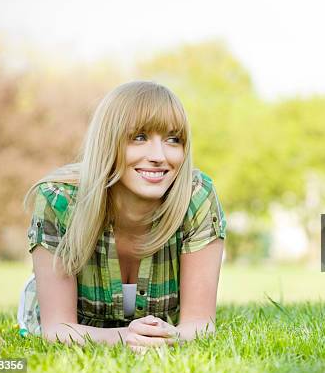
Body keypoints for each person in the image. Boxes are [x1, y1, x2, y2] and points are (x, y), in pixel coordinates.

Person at [16, 81, 226, 353]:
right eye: (139, 137)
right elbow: (57, 329)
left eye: (173, 139)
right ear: (108, 141)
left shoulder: (197, 198)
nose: (159, 156)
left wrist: (169, 336)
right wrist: (128, 337)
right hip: (77, 323)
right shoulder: (60, 199)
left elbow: (201, 324)